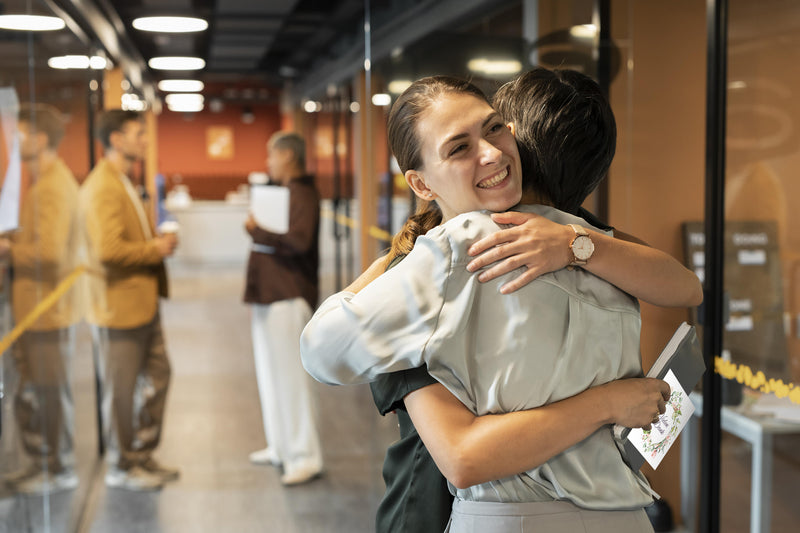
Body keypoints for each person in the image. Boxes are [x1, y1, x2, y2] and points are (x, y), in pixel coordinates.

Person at [300, 74, 693, 532]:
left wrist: (391, 266)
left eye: (493, 128)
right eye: (459, 147)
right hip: (625, 518)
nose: (490, 153)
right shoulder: (605, 252)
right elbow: (688, 287)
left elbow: (320, 349)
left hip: (499, 516)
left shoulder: (457, 255)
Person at [81, 109, 179, 491]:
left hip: (142, 304)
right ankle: (123, 465)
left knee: (159, 376)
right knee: (121, 392)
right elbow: (107, 250)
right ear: (116, 139)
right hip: (117, 310)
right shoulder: (102, 186)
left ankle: (141, 453)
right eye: (138, 133)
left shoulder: (122, 181)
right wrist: (155, 249)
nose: (145, 140)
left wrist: (157, 243)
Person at [0, 104, 81, 494]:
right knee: (40, 391)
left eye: (22, 133)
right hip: (37, 310)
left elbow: (49, 254)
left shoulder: (52, 186)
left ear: (42, 138)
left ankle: (56, 469)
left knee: (47, 393)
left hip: (45, 311)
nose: (15, 140)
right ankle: (45, 464)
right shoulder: (43, 181)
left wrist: (6, 248)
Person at [244, 131, 324, 486]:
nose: (269, 162)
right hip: (267, 292)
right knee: (269, 374)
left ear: (289, 156)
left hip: (287, 295)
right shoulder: (284, 193)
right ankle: (280, 445)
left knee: (290, 380)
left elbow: (298, 241)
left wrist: (258, 231)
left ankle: (304, 456)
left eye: (272, 155)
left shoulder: (303, 193)